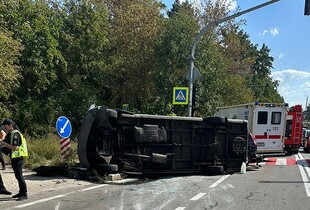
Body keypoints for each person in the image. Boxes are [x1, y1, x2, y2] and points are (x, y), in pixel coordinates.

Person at [0, 119, 28, 201]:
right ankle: (21, 192)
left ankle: (24, 194)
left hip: (18, 158)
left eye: (5, 126)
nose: (5, 128)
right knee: (17, 176)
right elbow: (6, 142)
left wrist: (3, 143)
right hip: (14, 158)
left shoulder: (16, 134)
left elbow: (15, 148)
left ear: (10, 125)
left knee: (20, 176)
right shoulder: (11, 134)